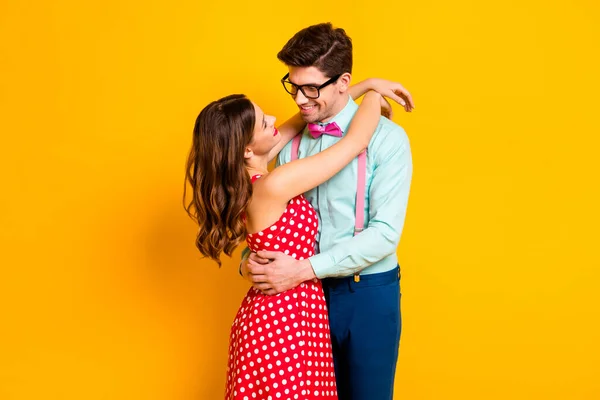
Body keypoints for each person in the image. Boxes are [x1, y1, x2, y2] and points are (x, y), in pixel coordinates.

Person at [184, 77, 410, 399]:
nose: (275, 120)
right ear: (247, 149)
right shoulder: (275, 185)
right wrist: (373, 97)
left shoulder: (247, 179)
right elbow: (353, 143)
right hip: (282, 323)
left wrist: (353, 89)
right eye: (264, 122)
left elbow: (296, 123)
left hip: (289, 315)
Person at [241, 23, 414, 400]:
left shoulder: (387, 139)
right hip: (301, 305)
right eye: (294, 85)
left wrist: (302, 269)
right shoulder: (285, 146)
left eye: (311, 88)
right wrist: (248, 262)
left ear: (342, 81)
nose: (300, 100)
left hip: (366, 295)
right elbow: (266, 220)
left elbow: (385, 234)